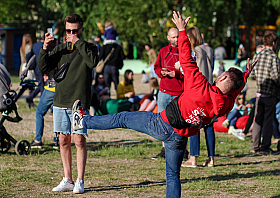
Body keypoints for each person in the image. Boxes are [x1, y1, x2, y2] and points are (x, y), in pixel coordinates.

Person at [71, 11, 257, 198]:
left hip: (162, 125)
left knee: (122, 118)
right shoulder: (226, 104)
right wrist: (245, 75)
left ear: (222, 77)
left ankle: (83, 122)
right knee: (173, 176)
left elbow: (185, 57)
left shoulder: (200, 84)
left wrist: (182, 30)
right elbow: (232, 91)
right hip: (180, 138)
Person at [38, 14, 99, 194]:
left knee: (79, 140)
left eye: (74, 30)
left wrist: (78, 42)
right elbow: (43, 67)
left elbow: (92, 62)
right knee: (63, 140)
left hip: (79, 102)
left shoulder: (90, 47)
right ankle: (68, 179)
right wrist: (44, 48)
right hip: (60, 100)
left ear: (81, 30)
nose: (70, 34)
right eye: (68, 30)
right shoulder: (60, 49)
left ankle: (80, 180)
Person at [179, 26, 215, 168]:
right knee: (209, 125)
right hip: (210, 89)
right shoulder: (209, 50)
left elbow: (187, 69)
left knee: (194, 122)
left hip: (197, 90)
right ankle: (211, 158)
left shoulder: (194, 51)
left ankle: (193, 158)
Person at [153, 27, 184, 160]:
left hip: (179, 92)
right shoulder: (163, 51)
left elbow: (188, 70)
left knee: (180, 122)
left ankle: (182, 149)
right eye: (173, 37)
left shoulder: (185, 51)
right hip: (164, 92)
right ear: (168, 38)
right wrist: (162, 72)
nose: (176, 39)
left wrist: (176, 73)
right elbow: (156, 67)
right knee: (162, 120)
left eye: (177, 36)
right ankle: (165, 148)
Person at [251, 30, 280, 155]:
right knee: (268, 120)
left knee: (257, 120)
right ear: (274, 43)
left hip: (259, 93)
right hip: (270, 94)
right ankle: (265, 147)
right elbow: (276, 76)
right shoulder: (274, 57)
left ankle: (254, 146)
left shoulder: (257, 55)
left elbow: (252, 74)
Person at [30, 38, 59, 149]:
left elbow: (43, 68)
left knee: (39, 113)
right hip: (60, 89)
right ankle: (57, 141)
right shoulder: (63, 54)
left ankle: (38, 140)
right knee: (58, 114)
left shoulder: (48, 56)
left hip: (50, 88)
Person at [25, 36, 47, 108]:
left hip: (36, 68)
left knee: (41, 85)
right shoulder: (44, 46)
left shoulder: (35, 45)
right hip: (43, 68)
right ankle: (42, 103)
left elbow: (29, 55)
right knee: (42, 87)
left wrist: (28, 64)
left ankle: (30, 97)